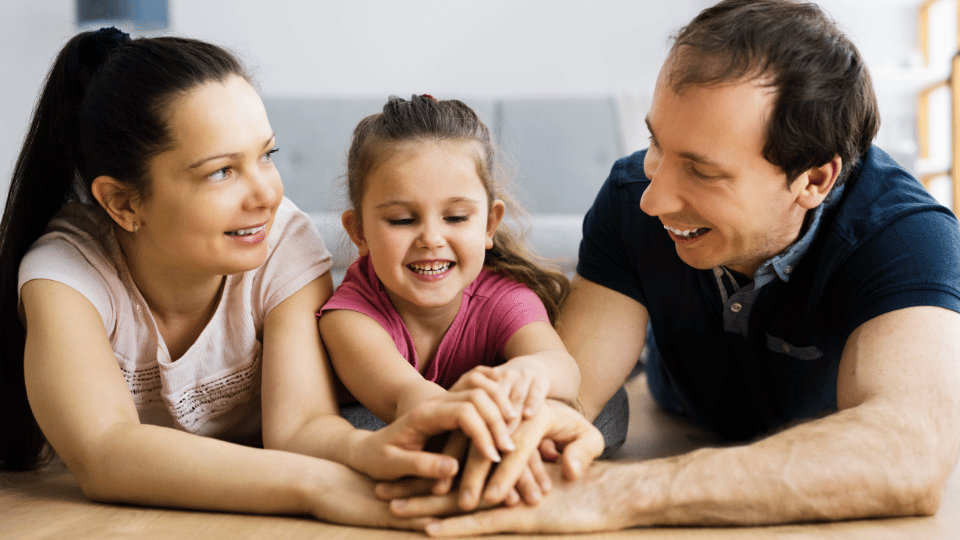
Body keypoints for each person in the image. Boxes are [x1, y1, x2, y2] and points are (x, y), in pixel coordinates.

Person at [383, 0, 960, 534]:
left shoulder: (905, 235)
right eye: (656, 144)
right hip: (680, 397)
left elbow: (908, 451)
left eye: (702, 172)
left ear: (813, 179)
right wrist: (513, 434)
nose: (652, 200)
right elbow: (571, 393)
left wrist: (614, 493)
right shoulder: (632, 196)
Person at [0, 28, 603, 530]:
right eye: (220, 173)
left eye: (267, 155)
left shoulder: (282, 244)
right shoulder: (66, 273)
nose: (267, 194)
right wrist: (328, 488)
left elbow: (299, 427)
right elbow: (107, 453)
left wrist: (383, 444)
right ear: (123, 203)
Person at [319, 94, 596, 510]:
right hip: (389, 417)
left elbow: (563, 369)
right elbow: (405, 397)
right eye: (402, 220)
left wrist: (523, 374)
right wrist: (495, 428)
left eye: (455, 218)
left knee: (602, 410)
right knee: (363, 427)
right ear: (358, 232)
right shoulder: (349, 316)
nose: (431, 238)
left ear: (489, 224)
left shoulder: (504, 296)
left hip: (479, 410)